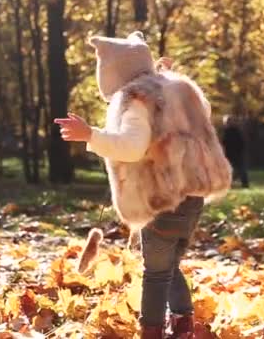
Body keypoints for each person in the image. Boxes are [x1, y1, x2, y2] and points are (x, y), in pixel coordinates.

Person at [55, 31, 231, 339]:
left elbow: (132, 147)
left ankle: (152, 331)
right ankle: (182, 324)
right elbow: (203, 110)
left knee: (155, 272)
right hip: (192, 198)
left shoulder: (135, 99)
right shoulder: (176, 87)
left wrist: (91, 135)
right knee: (170, 264)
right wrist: (167, 82)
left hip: (162, 199)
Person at [222, 116, 249, 188]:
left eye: (228, 121)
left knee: (241, 169)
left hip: (237, 153)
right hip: (230, 153)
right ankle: (229, 184)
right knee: (232, 170)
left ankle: (244, 184)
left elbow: (241, 142)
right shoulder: (225, 131)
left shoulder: (235, 131)